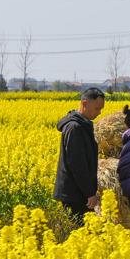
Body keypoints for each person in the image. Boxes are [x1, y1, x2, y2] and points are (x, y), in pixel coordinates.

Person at [53, 87, 105, 227]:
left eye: (101, 109)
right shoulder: (74, 128)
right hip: (75, 194)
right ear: (84, 103)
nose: (99, 112)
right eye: (97, 108)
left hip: (79, 192)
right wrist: (89, 193)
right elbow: (77, 164)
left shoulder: (82, 125)